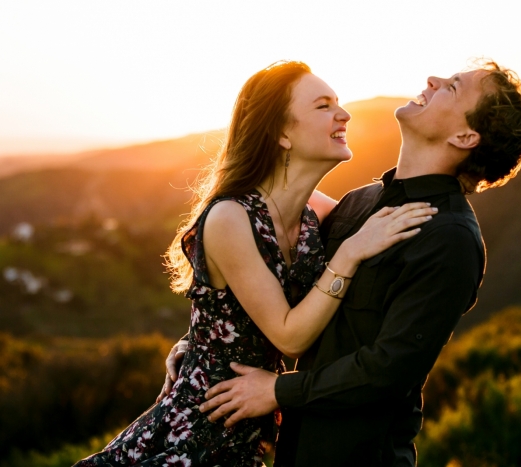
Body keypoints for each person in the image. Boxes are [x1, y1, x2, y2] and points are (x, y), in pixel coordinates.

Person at [73, 61, 434, 467]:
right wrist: (350, 252)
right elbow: (289, 337)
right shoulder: (230, 217)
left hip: (252, 430)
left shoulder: (317, 215)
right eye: (323, 105)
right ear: (281, 133)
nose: (344, 114)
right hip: (201, 422)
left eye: (339, 103)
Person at [184, 61, 521, 466]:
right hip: (295, 451)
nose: (432, 80)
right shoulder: (358, 203)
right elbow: (280, 288)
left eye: (453, 87)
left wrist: (278, 391)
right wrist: (202, 341)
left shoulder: (449, 238)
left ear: (465, 136)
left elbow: (389, 370)